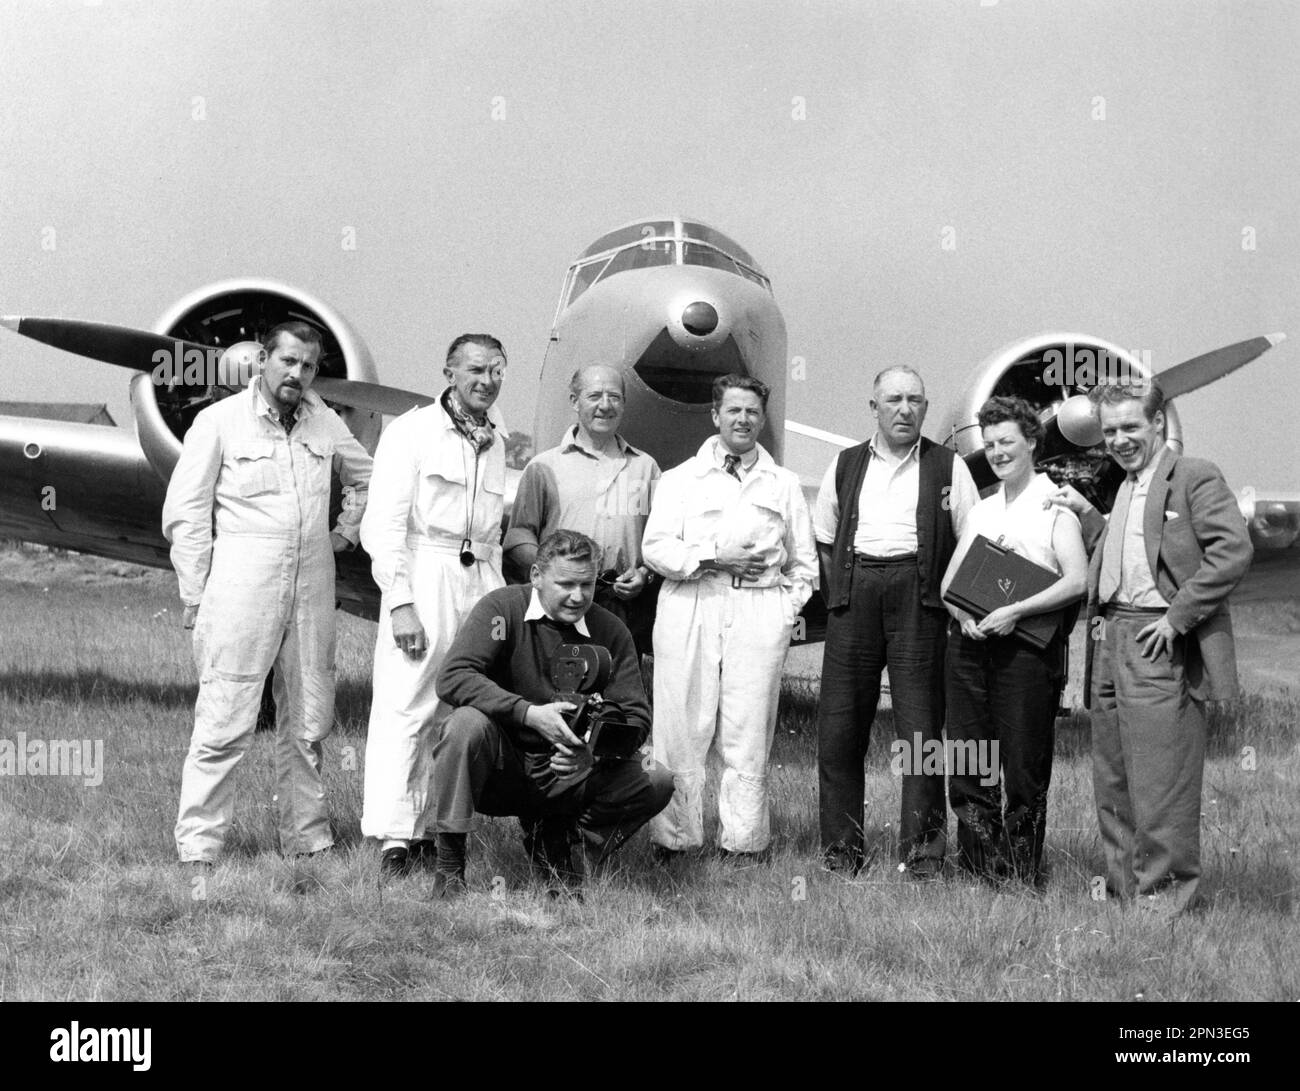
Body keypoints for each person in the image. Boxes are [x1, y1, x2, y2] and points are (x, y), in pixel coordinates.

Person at [162, 321, 372, 865]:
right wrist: (193, 595)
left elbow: (369, 478)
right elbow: (186, 515)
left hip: (311, 591)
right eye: (288, 361)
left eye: (308, 366)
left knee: (307, 723)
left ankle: (308, 839)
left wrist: (345, 532)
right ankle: (200, 849)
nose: (297, 374)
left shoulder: (322, 421)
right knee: (224, 720)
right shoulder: (219, 422)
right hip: (240, 591)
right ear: (262, 360)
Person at [1059, 380, 1251, 915]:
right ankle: (1125, 891)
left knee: (1161, 780)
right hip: (1110, 637)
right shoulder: (1126, 484)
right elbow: (1129, 553)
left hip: (1157, 640)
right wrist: (1086, 514)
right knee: (1114, 778)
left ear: (1159, 424)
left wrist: (1177, 617)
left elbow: (1233, 551)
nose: (1119, 439)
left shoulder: (1194, 475)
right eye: (1111, 430)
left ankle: (1165, 901)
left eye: (1131, 428)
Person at [428, 529, 674, 897]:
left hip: (571, 771)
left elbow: (635, 716)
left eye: (587, 585)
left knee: (657, 777)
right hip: (502, 767)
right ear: (536, 576)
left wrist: (591, 753)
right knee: (463, 725)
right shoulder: (501, 609)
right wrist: (527, 713)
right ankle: (449, 868)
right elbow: (453, 677)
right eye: (565, 584)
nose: (578, 596)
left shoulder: (611, 629)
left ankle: (558, 842)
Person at [814, 365, 980, 878]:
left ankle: (924, 857)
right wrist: (846, 589)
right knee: (839, 730)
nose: (904, 409)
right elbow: (825, 537)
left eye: (915, 400)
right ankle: (842, 853)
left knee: (922, 735)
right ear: (874, 408)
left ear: (926, 408)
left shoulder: (949, 467)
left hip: (920, 600)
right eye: (893, 400)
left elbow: (971, 539)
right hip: (854, 597)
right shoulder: (843, 465)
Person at [642, 374, 817, 859]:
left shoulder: (783, 484)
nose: (743, 420)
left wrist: (784, 611)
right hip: (691, 600)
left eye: (753, 413)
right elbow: (655, 548)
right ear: (715, 415)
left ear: (763, 419)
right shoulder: (680, 479)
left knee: (748, 725)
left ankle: (743, 843)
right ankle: (674, 839)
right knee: (682, 721)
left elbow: (804, 565)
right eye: (734, 411)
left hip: (759, 607)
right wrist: (713, 558)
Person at [361, 334, 510, 878]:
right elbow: (383, 525)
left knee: (457, 706)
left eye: (496, 370)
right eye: (474, 369)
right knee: (409, 702)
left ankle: (433, 829)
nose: (486, 380)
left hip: (480, 576)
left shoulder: (498, 439)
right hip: (426, 572)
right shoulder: (412, 432)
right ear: (448, 371)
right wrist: (401, 603)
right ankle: (395, 837)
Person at [940, 396, 1087, 887]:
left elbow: (1076, 581)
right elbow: (948, 585)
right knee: (967, 759)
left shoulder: (1055, 504)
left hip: (1025, 650)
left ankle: (1021, 874)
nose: (998, 452)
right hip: (969, 647)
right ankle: (979, 869)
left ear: (1031, 442)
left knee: (1023, 768)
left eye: (1008, 442)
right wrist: (963, 616)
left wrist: (1015, 611)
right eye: (991, 444)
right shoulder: (982, 509)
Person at [504, 364, 661, 655]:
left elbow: (661, 538)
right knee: (558, 683)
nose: (605, 405)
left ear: (624, 403)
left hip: (622, 601)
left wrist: (644, 574)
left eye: (614, 397)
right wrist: (553, 574)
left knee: (617, 685)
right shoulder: (543, 466)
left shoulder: (645, 467)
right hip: (562, 598)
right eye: (594, 396)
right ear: (575, 401)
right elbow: (518, 536)